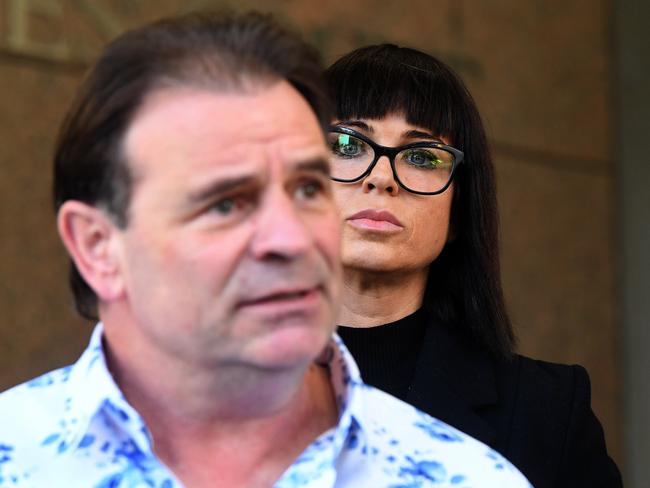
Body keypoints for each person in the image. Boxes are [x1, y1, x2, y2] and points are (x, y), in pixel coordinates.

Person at [0, 12, 532, 488]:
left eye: (306, 189)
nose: (290, 236)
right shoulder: (16, 458)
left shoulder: (470, 476)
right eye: (225, 203)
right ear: (98, 248)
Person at [325, 44, 622, 488]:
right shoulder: (202, 392)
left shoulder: (548, 412)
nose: (380, 177)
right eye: (347, 144)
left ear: (459, 210)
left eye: (422, 155)